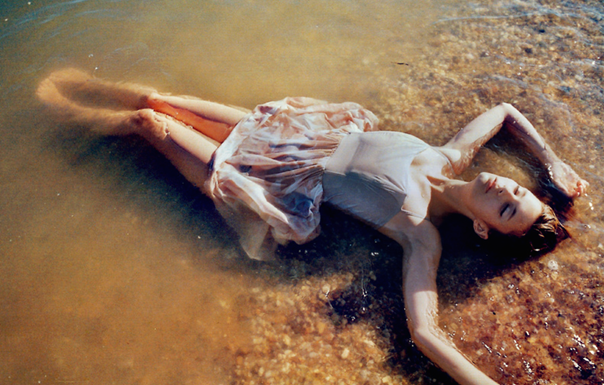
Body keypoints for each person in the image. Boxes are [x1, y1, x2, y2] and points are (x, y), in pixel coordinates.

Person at [37, 68, 588, 385]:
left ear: (486, 230)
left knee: (146, 122)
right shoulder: (452, 155)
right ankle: (79, 81)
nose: (507, 191)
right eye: (518, 191)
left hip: (268, 180)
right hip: (293, 134)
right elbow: (506, 109)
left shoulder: (422, 235)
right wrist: (550, 163)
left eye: (509, 209)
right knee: (157, 97)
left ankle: (67, 119)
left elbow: (426, 332)